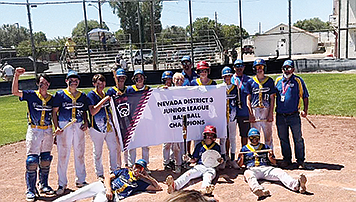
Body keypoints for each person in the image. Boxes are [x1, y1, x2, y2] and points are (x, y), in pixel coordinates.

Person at [12, 67, 54, 201]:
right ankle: (30, 189)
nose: (44, 85)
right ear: (37, 84)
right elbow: (15, 92)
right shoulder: (31, 95)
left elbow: (55, 114)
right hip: (34, 130)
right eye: (41, 83)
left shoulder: (52, 99)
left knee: (46, 159)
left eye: (46, 83)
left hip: (47, 130)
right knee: (32, 161)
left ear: (49, 84)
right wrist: (16, 76)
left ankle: (43, 184)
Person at [237, 128, 307, 199]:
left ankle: (296, 185)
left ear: (259, 137)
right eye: (252, 137)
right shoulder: (244, 149)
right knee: (248, 175)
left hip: (266, 168)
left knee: (280, 172)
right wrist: (241, 158)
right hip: (252, 169)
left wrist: (271, 157)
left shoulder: (265, 147)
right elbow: (239, 165)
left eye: (256, 137)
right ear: (249, 138)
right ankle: (258, 189)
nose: (254, 139)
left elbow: (274, 162)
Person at [53, 159, 162, 202]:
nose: (137, 169)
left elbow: (158, 187)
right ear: (133, 166)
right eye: (137, 166)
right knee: (74, 195)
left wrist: (147, 177)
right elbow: (108, 177)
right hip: (102, 187)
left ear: (143, 170)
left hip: (110, 196)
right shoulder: (124, 171)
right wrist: (109, 189)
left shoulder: (139, 183)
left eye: (140, 168)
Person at [52, 70, 89, 195]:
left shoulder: (82, 95)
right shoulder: (60, 94)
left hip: (78, 126)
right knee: (63, 155)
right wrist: (56, 127)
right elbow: (54, 112)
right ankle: (62, 183)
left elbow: (84, 111)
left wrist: (85, 121)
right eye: (71, 80)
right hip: (65, 126)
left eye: (76, 80)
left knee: (79, 153)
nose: (74, 82)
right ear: (66, 81)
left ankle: (81, 180)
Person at [275, 60, 312, 169]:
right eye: (285, 68)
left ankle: (300, 160)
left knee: (298, 138)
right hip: (280, 115)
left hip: (293, 115)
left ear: (293, 69)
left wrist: (305, 110)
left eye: (289, 67)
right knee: (283, 138)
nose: (287, 70)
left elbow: (305, 96)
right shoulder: (277, 80)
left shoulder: (298, 81)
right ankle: (287, 159)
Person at [166, 125, 223, 195]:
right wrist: (188, 159)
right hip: (200, 166)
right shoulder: (199, 145)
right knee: (188, 174)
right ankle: (175, 185)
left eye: (211, 135)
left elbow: (218, 160)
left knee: (208, 177)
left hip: (211, 168)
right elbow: (194, 159)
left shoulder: (216, 147)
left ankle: (205, 189)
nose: (209, 137)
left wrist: (220, 161)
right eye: (207, 134)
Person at [87, 74, 119, 180]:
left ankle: (114, 170)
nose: (101, 85)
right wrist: (105, 99)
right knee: (98, 151)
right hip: (96, 127)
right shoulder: (91, 95)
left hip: (108, 125)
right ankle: (99, 173)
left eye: (103, 83)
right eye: (98, 83)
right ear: (94, 84)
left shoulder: (106, 93)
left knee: (113, 148)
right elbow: (93, 111)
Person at [245, 58, 276, 150]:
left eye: (261, 67)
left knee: (268, 136)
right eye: (257, 67)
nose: (259, 69)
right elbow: (248, 99)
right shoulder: (250, 82)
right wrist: (250, 114)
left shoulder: (269, 81)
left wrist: (271, 113)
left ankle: (270, 155)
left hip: (266, 110)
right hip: (255, 110)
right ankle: (256, 156)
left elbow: (272, 98)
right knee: (254, 135)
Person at [126, 69, 151, 167]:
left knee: (145, 144)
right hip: (133, 120)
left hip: (145, 119)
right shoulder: (130, 89)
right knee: (132, 143)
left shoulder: (148, 89)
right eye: (137, 77)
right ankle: (131, 165)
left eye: (141, 77)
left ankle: (144, 165)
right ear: (133, 79)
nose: (139, 79)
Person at [160, 71, 182, 174]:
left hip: (178, 120)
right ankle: (166, 162)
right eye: (166, 80)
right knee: (167, 143)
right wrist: (162, 90)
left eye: (180, 80)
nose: (168, 82)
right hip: (166, 120)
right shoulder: (164, 90)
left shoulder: (182, 90)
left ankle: (176, 162)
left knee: (176, 144)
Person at [218, 67, 239, 169]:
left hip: (232, 115)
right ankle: (223, 159)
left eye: (229, 76)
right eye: (225, 76)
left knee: (232, 137)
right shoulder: (220, 88)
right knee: (223, 138)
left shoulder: (235, 87)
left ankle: (233, 158)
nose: (227, 78)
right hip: (222, 116)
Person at [231, 59, 251, 146]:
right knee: (229, 135)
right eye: (237, 66)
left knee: (244, 134)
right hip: (231, 112)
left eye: (241, 66)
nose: (239, 68)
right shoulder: (230, 78)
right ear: (233, 67)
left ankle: (244, 152)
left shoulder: (248, 80)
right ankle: (229, 155)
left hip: (244, 111)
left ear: (244, 67)